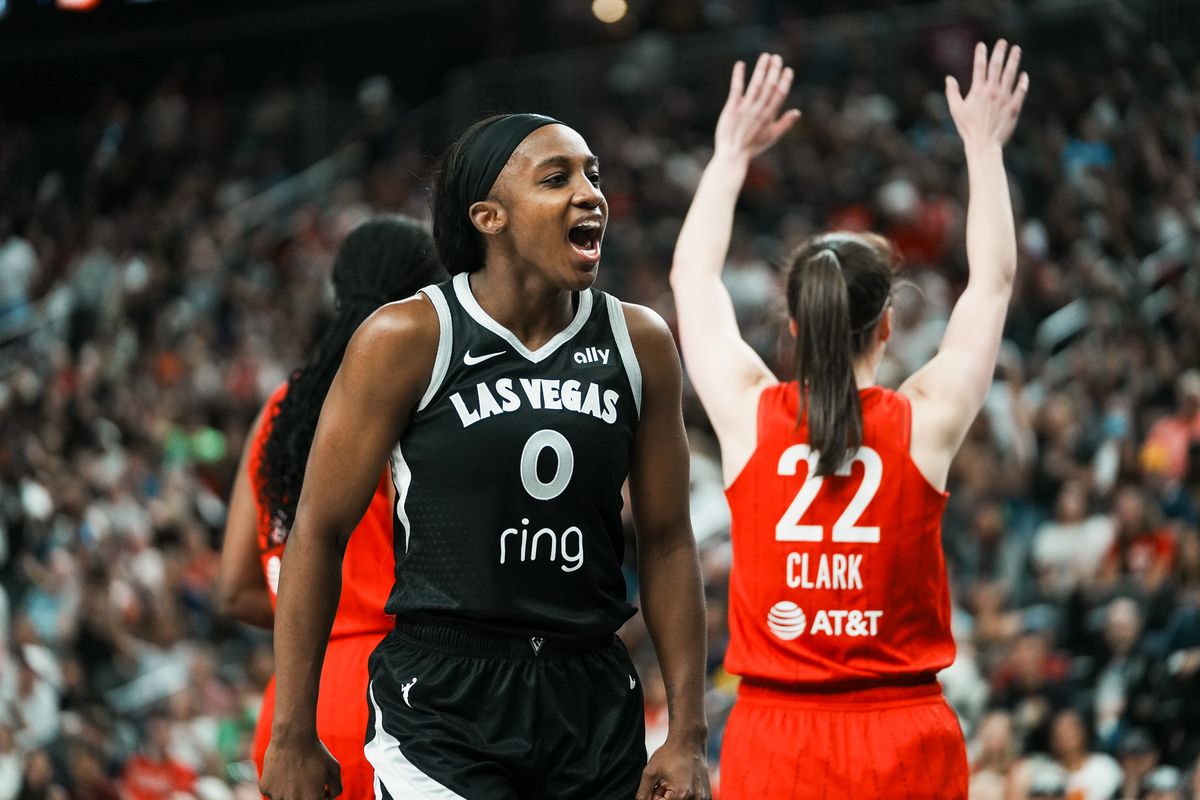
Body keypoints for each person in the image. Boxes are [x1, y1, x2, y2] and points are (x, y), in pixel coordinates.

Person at [260, 114, 710, 800]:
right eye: (557, 179)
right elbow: (316, 534)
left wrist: (686, 734)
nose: (590, 193)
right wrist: (294, 731)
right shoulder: (407, 336)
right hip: (443, 696)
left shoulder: (639, 341)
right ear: (489, 218)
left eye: (593, 174)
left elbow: (670, 541)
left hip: (588, 691)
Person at [670, 45, 1029, 799]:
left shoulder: (746, 414)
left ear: (794, 327)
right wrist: (984, 149)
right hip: (902, 737)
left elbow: (692, 277)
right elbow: (992, 283)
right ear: (887, 326)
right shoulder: (923, 421)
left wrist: (730, 153)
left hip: (776, 740)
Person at [216, 216, 445, 798]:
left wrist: (312, 623)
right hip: (406, 690)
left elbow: (235, 590)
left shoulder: (277, 411)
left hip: (296, 707)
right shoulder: (415, 400)